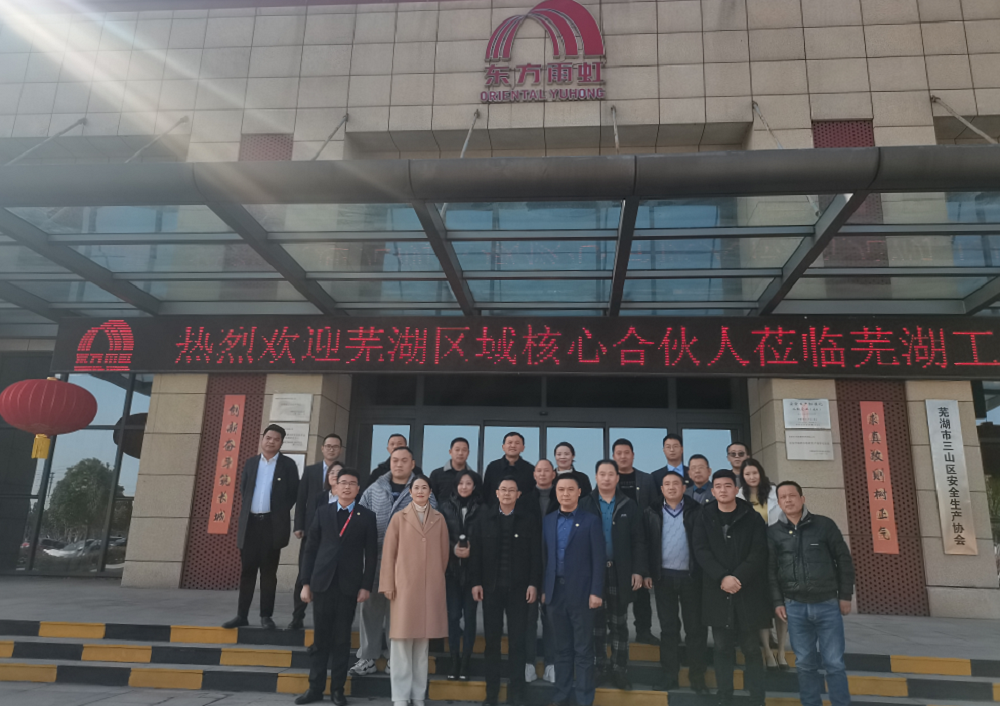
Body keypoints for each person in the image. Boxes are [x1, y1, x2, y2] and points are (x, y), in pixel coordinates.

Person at [350, 446, 436, 678]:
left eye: (404, 460)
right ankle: (367, 657)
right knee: (371, 608)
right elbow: (360, 520)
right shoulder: (374, 489)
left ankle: (394, 658)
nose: (399, 464)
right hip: (376, 558)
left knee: (400, 611)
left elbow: (432, 523)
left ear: (412, 463)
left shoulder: (422, 489)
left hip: (408, 562)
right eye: (395, 460)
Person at [769, 481, 856, 706]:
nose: (788, 500)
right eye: (783, 497)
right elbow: (771, 571)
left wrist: (845, 595)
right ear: (778, 503)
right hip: (794, 606)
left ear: (802, 498)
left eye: (792, 495)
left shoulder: (824, 525)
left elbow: (843, 560)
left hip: (827, 604)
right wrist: (778, 601)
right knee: (805, 664)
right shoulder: (773, 533)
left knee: (834, 663)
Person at [296, 469, 377, 706]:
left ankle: (338, 690)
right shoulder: (323, 512)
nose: (347, 487)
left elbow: (371, 555)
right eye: (343, 483)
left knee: (342, 640)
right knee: (320, 639)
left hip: (349, 586)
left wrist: (366, 586)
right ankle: (315, 688)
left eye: (352, 483)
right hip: (322, 584)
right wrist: (305, 583)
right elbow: (310, 550)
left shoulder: (366, 516)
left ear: (358, 489)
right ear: (335, 486)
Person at [692, 470, 770, 706]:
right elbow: (700, 550)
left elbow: (759, 552)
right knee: (722, 648)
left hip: (748, 590)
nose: (723, 490)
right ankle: (724, 697)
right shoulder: (703, 516)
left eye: (728, 486)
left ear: (736, 489)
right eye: (718, 486)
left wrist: (737, 577)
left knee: (752, 649)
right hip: (717, 591)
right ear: (712, 491)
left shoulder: (752, 517)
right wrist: (722, 577)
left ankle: (757, 699)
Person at [471, 477, 542, 706]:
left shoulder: (528, 520)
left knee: (517, 643)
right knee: (492, 643)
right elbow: (476, 555)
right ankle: (491, 694)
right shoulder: (484, 519)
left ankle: (517, 694)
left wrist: (533, 583)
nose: (507, 493)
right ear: (496, 493)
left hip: (519, 591)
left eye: (512, 490)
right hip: (491, 590)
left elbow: (536, 555)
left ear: (519, 494)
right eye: (503, 490)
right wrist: (475, 582)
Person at [379, 476, 449, 706]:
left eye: (424, 487)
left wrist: (434, 577)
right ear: (410, 492)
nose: (420, 491)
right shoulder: (399, 518)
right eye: (416, 487)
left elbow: (444, 555)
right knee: (401, 644)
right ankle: (400, 697)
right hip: (404, 588)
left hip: (429, 588)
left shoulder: (439, 519)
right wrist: (388, 584)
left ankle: (418, 695)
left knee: (421, 646)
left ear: (430, 492)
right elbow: (388, 554)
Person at [579, 459, 648, 690]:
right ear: (596, 477)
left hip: (620, 571)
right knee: (596, 624)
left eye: (611, 474)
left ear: (618, 478)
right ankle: (600, 667)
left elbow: (639, 541)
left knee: (619, 623)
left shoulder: (629, 504)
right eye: (602, 474)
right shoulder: (585, 504)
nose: (606, 478)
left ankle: (619, 669)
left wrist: (638, 570)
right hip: (593, 572)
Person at [224, 425, 300, 630]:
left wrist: (278, 513)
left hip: (271, 526)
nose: (271, 441)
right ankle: (242, 615)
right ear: (262, 438)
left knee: (268, 573)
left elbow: (293, 494)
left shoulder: (288, 465)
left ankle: (266, 616)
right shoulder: (251, 463)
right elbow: (244, 489)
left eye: (276, 439)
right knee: (247, 571)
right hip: (250, 524)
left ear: (281, 442)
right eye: (268, 437)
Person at [541, 475, 604, 706]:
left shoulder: (591, 521)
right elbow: (544, 557)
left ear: (579, 492)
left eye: (570, 489)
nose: (565, 494)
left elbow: (598, 559)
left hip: (582, 593)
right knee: (561, 649)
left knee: (583, 650)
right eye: (561, 490)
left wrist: (596, 591)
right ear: (556, 493)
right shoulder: (548, 521)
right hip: (555, 593)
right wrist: (544, 589)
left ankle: (584, 698)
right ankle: (561, 696)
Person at [644, 471, 707, 694]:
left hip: (691, 578)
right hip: (664, 578)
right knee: (669, 629)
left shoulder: (697, 511)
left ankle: (697, 677)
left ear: (683, 488)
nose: (671, 487)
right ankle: (669, 675)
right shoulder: (651, 512)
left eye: (675, 484)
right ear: (661, 489)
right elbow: (645, 544)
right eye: (667, 484)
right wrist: (647, 572)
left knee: (695, 629)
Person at [291, 433, 344, 629]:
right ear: (322, 448)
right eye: (328, 446)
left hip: (335, 534)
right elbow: (301, 499)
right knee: (303, 574)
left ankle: (327, 619)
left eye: (335, 446)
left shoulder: (344, 472)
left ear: (340, 450)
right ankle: (297, 616)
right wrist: (299, 525)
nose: (331, 449)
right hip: (311, 531)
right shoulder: (311, 471)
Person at [740, 458, 788, 670]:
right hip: (754, 554)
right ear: (742, 477)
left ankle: (782, 651)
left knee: (780, 601)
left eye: (754, 473)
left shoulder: (776, 493)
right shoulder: (739, 496)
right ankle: (768, 651)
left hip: (777, 552)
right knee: (761, 605)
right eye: (747, 474)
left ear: (761, 473)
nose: (751, 477)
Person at [611, 438, 658, 645]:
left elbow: (654, 509)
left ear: (633, 455)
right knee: (615, 590)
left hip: (641, 540)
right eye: (619, 453)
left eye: (626, 452)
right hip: (616, 542)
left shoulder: (646, 479)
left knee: (642, 590)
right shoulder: (609, 478)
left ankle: (644, 631)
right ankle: (614, 630)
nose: (623, 456)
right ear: (613, 456)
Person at [439, 470, 484, 681]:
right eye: (461, 483)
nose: (464, 487)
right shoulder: (445, 507)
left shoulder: (482, 508)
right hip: (452, 571)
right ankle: (454, 660)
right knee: (453, 615)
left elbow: (485, 537)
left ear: (474, 486)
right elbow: (440, 535)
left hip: (473, 572)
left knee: (470, 617)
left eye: (468, 483)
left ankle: (466, 661)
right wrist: (453, 549)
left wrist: (472, 549)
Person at [526, 459, 558, 684]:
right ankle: (528, 663)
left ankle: (551, 664)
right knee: (528, 617)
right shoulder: (524, 500)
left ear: (554, 474)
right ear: (534, 474)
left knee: (552, 618)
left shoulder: (562, 497)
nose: (543, 474)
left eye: (547, 470)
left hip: (555, 563)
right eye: (539, 470)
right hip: (528, 563)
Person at [483, 432, 536, 504]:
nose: (513, 446)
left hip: (523, 510)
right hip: (495, 510)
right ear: (503, 447)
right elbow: (486, 493)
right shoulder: (492, 467)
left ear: (523, 448)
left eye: (517, 443)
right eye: (510, 443)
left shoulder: (530, 469)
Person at [430, 437, 480, 503]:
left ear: (468, 453)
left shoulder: (475, 477)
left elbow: (479, 500)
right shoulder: (436, 475)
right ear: (450, 452)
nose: (460, 453)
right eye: (457, 450)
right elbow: (431, 500)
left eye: (464, 450)